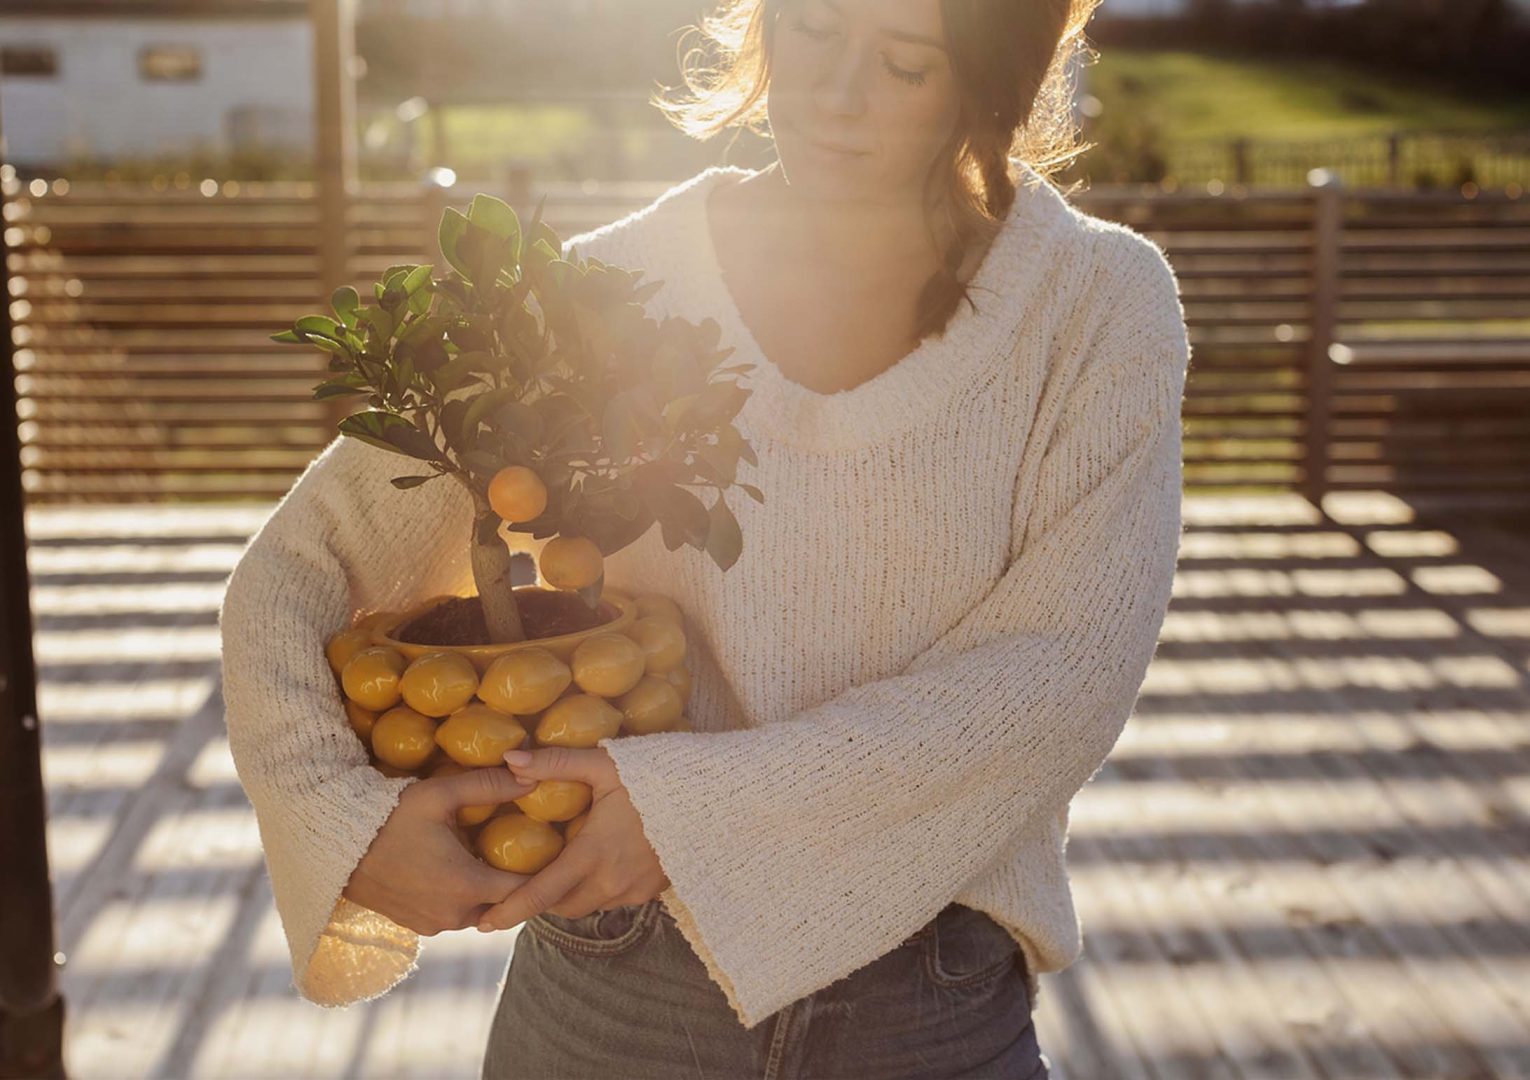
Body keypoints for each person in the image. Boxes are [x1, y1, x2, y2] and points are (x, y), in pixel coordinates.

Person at [217, 0, 1191, 1076]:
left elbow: (1063, 675)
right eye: (814, 30)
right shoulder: (599, 290)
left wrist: (695, 815)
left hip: (931, 1008)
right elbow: (294, 573)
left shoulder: (1096, 306)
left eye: (906, 63)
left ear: (989, 86)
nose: (835, 93)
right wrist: (338, 817)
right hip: (611, 987)